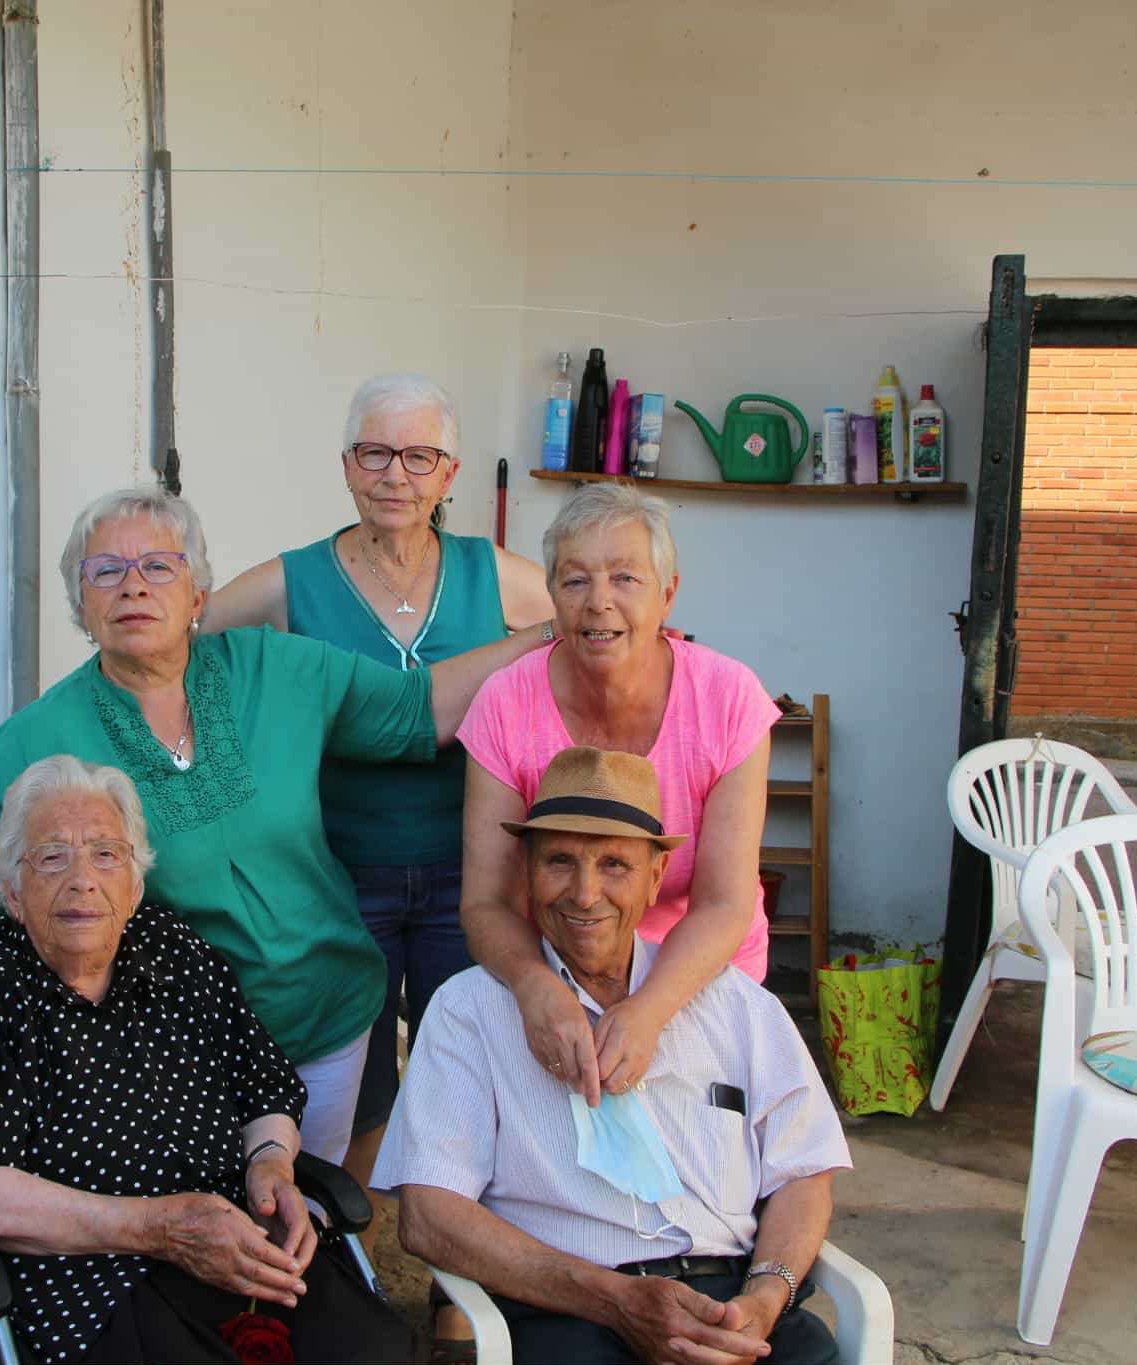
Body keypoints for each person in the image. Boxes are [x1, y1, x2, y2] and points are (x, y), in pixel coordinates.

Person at [0, 486, 552, 1163]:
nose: (134, 585)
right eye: (106, 570)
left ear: (197, 596)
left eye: (159, 565)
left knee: (309, 1203)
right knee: (208, 1218)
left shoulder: (277, 667)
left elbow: (417, 707)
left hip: (330, 1018)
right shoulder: (35, 737)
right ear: (81, 603)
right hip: (176, 1051)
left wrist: (557, 631)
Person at [0, 755, 407, 1365]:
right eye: (52, 857)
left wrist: (270, 1165)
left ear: (134, 887)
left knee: (373, 1350)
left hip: (229, 1239)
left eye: (106, 854)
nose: (83, 879)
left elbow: (263, 1082)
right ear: (12, 893)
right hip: (81, 1283)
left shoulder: (175, 951)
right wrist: (159, 1227)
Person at [373, 747, 851, 1365]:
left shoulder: (738, 1005)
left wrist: (765, 1298)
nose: (585, 893)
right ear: (526, 869)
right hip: (570, 1310)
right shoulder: (470, 1010)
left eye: (615, 864)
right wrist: (614, 1300)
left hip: (733, 1304)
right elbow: (429, 1216)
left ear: (656, 877)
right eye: (560, 861)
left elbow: (803, 1174)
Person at [207, 373, 554, 1182]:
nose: (396, 474)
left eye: (419, 456)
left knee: (472, 1071)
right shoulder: (292, 581)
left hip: (472, 873)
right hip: (339, 876)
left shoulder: (494, 574)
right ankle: (347, 1235)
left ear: (449, 473)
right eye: (375, 453)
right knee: (353, 1091)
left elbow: (591, 623)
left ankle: (458, 1252)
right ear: (346, 465)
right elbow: (183, 644)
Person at [457, 480, 780, 1110]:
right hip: (558, 962)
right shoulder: (504, 702)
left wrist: (648, 1009)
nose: (599, 602)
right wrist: (536, 986)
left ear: (668, 593)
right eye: (576, 580)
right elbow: (487, 901)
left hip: (697, 970)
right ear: (552, 595)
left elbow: (723, 902)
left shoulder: (728, 699)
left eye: (625, 578)